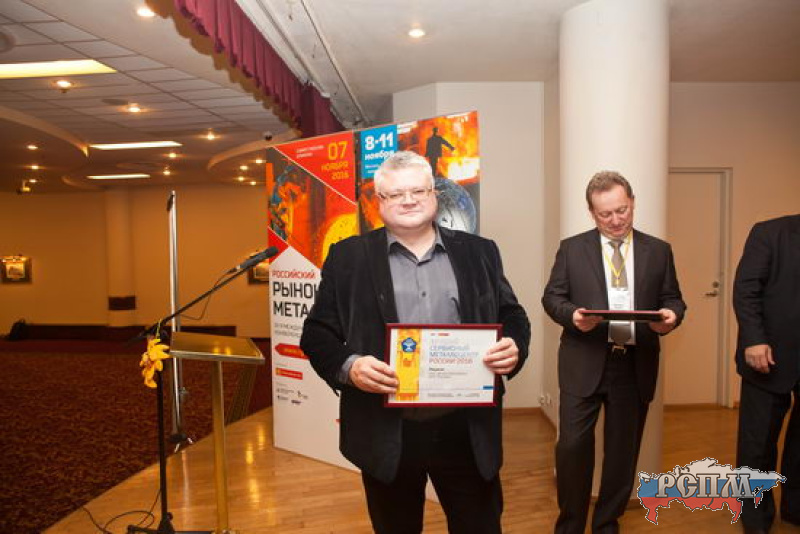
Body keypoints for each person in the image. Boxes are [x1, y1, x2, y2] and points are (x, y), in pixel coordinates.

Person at [300, 151, 530, 534]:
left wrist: (514, 344)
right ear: (379, 202)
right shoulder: (347, 258)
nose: (408, 201)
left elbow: (512, 315)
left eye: (418, 191)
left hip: (466, 429)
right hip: (388, 431)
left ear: (434, 195)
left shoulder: (480, 252)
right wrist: (350, 367)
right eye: (395, 194)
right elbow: (317, 333)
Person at [541, 171, 686, 534]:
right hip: (583, 360)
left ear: (632, 202)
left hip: (633, 364)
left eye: (622, 210)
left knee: (622, 453)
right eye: (605, 214)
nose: (616, 220)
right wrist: (573, 316)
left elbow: (673, 298)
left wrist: (670, 318)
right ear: (592, 213)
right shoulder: (572, 249)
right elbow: (552, 297)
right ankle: (570, 525)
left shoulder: (659, 250)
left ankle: (607, 523)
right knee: (572, 447)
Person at [733, 214, 800, 534]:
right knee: (757, 444)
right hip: (767, 356)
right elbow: (745, 290)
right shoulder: (770, 232)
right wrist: (754, 339)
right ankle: (755, 519)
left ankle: (795, 509)